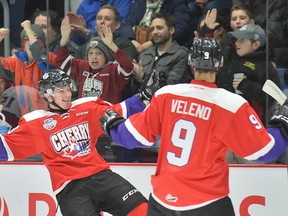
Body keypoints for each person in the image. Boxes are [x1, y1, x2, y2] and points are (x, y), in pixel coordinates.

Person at [99, 37, 288, 215]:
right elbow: (262, 151)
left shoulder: (167, 94)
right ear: (219, 64)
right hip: (207, 202)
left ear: (191, 62)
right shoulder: (230, 104)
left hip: (162, 201)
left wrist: (113, 126)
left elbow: (134, 136)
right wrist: (282, 127)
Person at [0, 69, 148, 215]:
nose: (68, 94)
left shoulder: (86, 107)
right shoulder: (36, 124)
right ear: (48, 95)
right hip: (70, 190)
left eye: (68, 89)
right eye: (61, 91)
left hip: (102, 176)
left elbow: (121, 110)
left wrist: (144, 97)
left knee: (142, 210)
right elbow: (6, 148)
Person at [68, 5, 138, 61]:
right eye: (99, 18)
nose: (102, 21)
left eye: (107, 19)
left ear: (117, 25)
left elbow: (126, 70)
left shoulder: (125, 46)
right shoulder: (87, 45)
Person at [121, 0, 192, 52]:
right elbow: (126, 24)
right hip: (136, 44)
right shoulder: (139, 2)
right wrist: (132, 40)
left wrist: (153, 42)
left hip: (161, 46)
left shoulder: (176, 3)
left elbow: (180, 29)